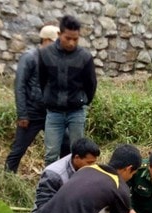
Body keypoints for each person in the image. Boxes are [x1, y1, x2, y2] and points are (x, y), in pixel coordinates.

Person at [38, 15, 97, 166]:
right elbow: (42, 80)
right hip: (54, 113)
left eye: (75, 39)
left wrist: (83, 101)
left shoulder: (84, 57)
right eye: (68, 38)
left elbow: (91, 84)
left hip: (76, 112)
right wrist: (48, 99)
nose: (71, 43)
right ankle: (49, 186)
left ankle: (74, 186)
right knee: (51, 154)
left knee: (77, 154)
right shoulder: (46, 54)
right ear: (59, 34)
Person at [3, 25, 60, 173]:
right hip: (31, 114)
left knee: (65, 145)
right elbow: (19, 86)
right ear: (46, 40)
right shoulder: (29, 57)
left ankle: (59, 179)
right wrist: (23, 114)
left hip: (50, 114)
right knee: (18, 149)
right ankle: (7, 178)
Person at [32, 137, 100, 213]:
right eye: (89, 163)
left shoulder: (83, 165)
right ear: (77, 158)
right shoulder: (53, 174)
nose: (93, 166)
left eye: (94, 162)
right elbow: (43, 206)